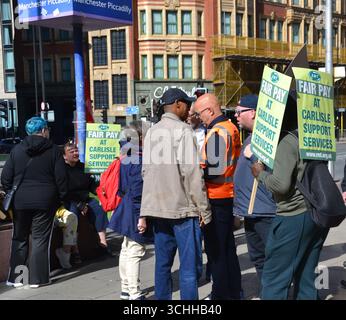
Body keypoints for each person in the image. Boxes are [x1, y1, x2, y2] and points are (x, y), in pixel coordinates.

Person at [250, 92, 329, 300]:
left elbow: (281, 186)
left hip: (293, 216)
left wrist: (260, 174)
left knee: (275, 279)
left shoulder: (287, 141)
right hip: (315, 214)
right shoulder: (309, 135)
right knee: (305, 278)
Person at [140, 88, 211, 300]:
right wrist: (204, 210)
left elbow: (146, 171)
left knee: (162, 266)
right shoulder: (183, 130)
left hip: (158, 209)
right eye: (187, 105)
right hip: (182, 209)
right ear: (178, 104)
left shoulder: (152, 131)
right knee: (188, 269)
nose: (189, 110)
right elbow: (192, 173)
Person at [1, 116, 68, 287]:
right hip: (45, 200)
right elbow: (61, 179)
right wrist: (60, 198)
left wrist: (12, 192)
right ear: (44, 130)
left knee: (19, 237)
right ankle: (37, 279)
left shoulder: (17, 150)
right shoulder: (53, 150)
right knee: (40, 239)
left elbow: (6, 177)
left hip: (20, 201)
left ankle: (16, 279)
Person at [194, 93, 242, 300]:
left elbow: (213, 171)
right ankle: (234, 292)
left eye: (199, 113)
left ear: (209, 111)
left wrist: (193, 172)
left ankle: (221, 295)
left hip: (216, 198)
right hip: (227, 196)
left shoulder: (217, 133)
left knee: (216, 252)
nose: (198, 117)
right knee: (228, 249)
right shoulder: (230, 128)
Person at [232, 94, 276, 294]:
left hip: (265, 213)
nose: (236, 116)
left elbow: (270, 170)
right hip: (251, 212)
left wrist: (254, 157)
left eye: (239, 112)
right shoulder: (251, 137)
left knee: (274, 261)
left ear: (254, 113)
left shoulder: (268, 137)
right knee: (258, 258)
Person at [108, 121, 153, 300]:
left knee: (127, 248)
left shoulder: (127, 155)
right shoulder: (139, 158)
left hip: (126, 205)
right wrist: (142, 216)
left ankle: (126, 288)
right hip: (136, 208)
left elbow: (123, 186)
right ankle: (134, 292)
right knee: (135, 249)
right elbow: (138, 189)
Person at [63, 141, 109, 249]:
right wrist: (79, 204)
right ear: (64, 156)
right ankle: (74, 249)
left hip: (85, 198)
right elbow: (64, 191)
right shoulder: (61, 169)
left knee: (99, 208)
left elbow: (91, 185)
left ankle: (102, 243)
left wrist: (100, 190)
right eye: (71, 151)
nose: (75, 153)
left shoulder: (83, 167)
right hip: (70, 200)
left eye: (76, 151)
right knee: (73, 214)